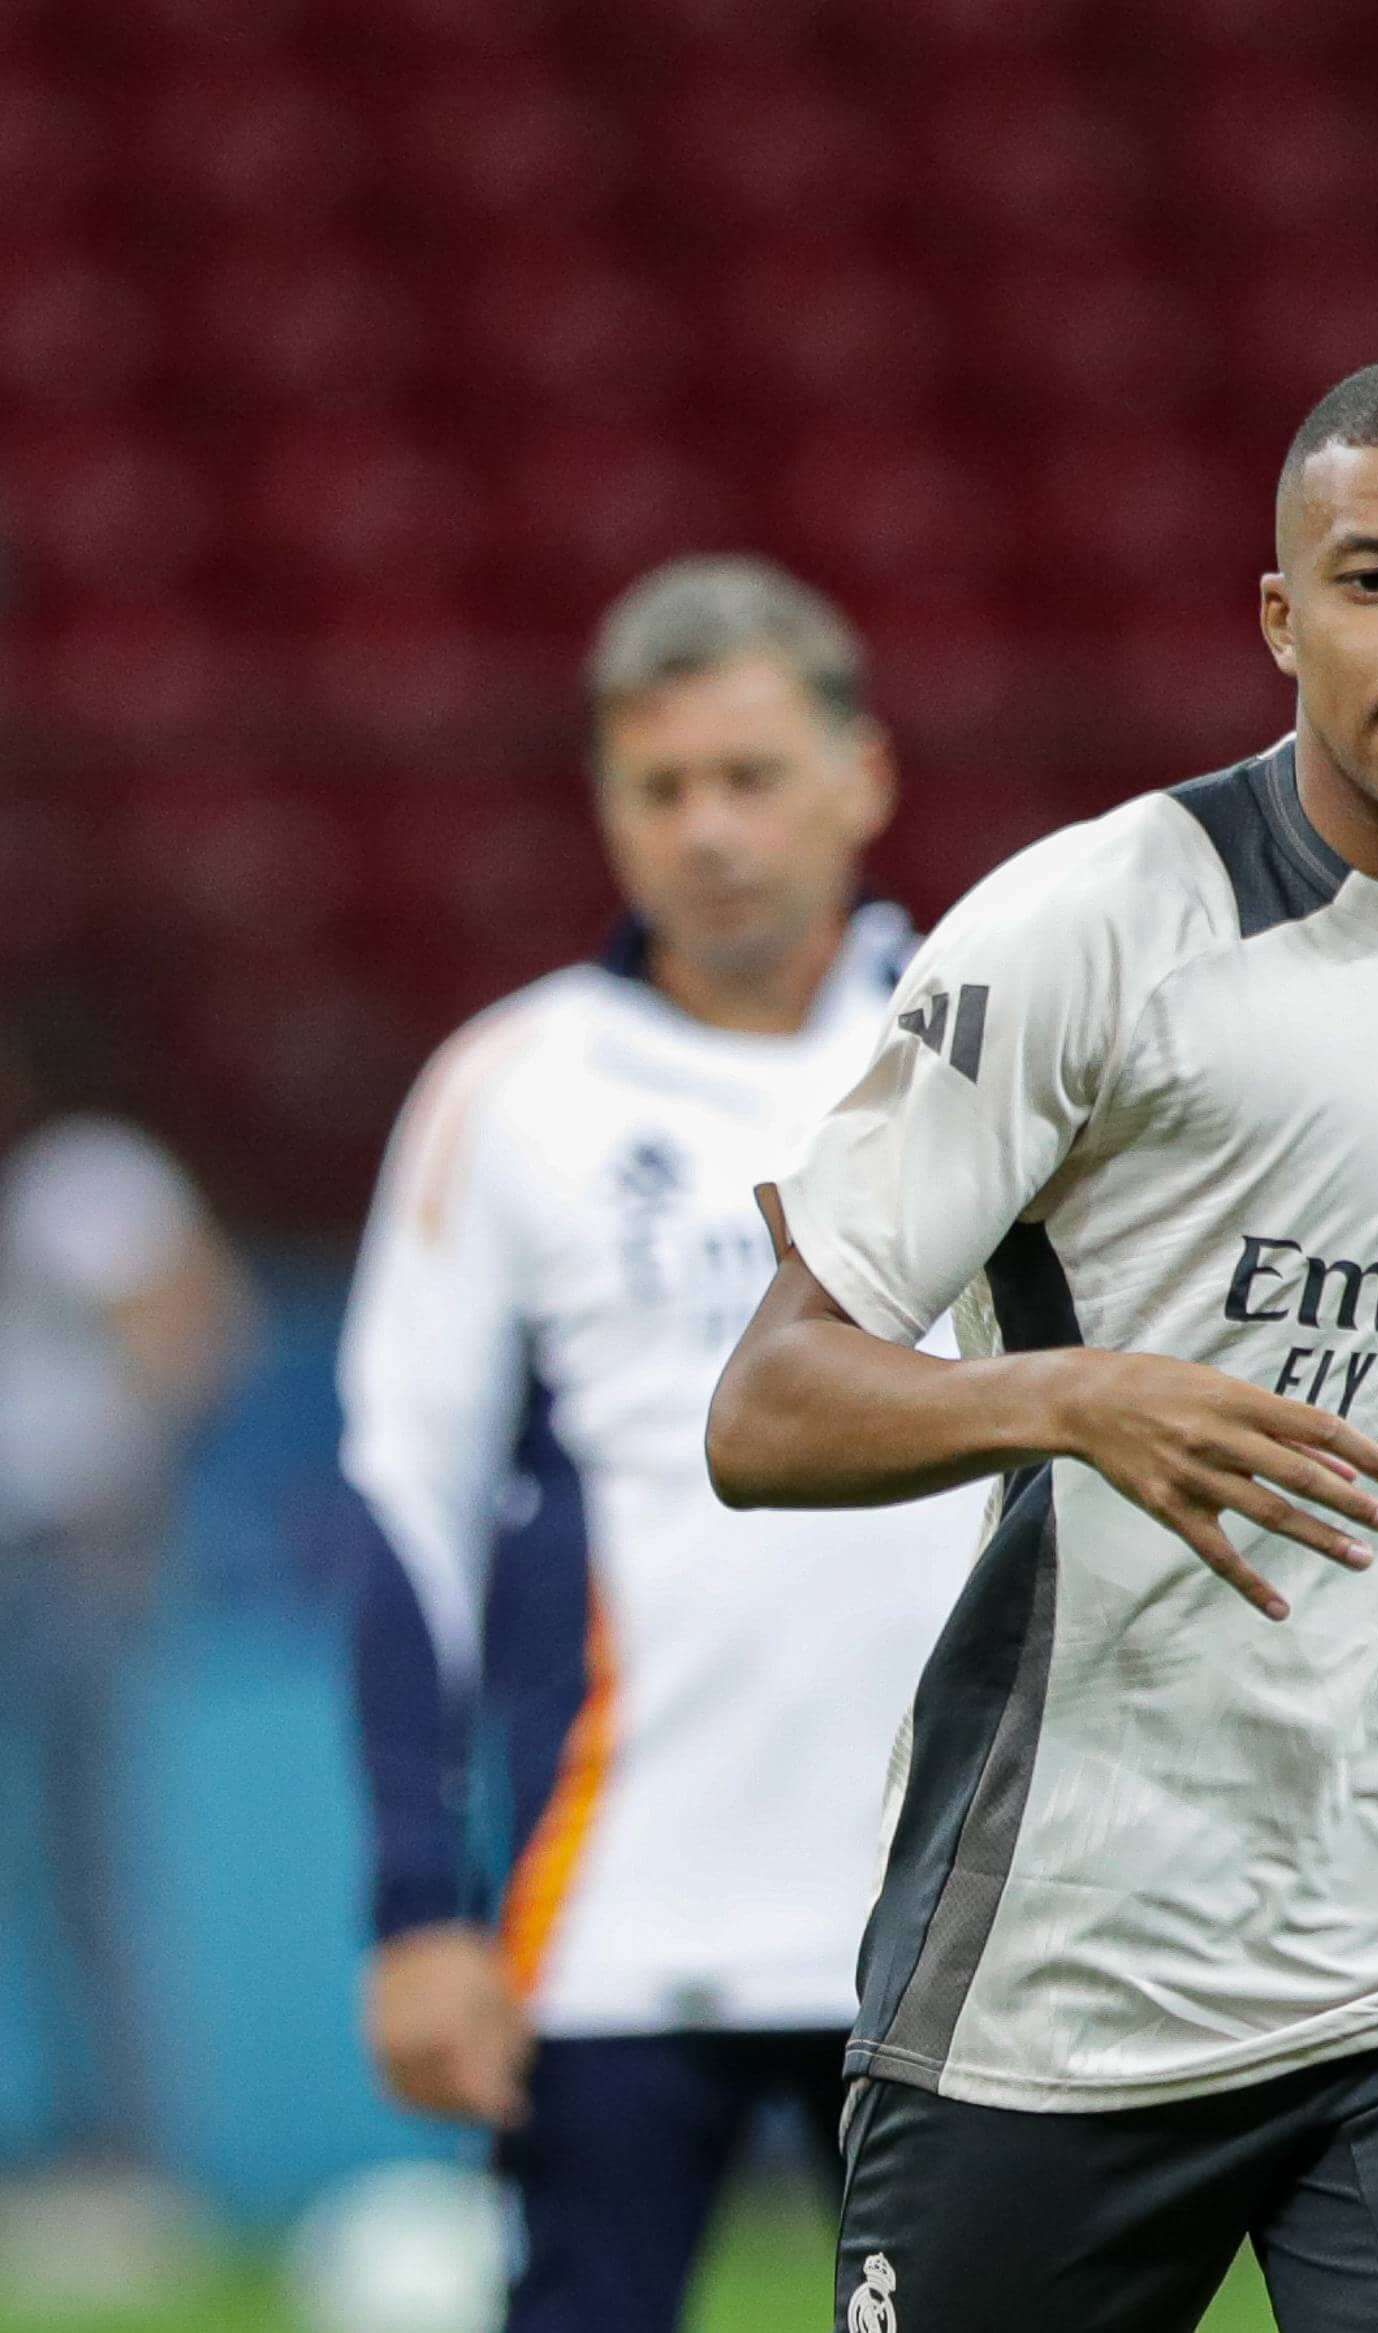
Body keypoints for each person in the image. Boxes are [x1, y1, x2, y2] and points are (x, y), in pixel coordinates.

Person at [706, 352, 1378, 2333]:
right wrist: (1066, 1397)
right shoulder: (1092, 926)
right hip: (1078, 1978)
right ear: (1281, 617)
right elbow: (769, 1400)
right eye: (1374, 580)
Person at [337, 559, 987, 2333]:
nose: (709, 831)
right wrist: (416, 1904)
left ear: (864, 774)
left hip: (961, 1908)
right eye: (661, 786)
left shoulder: (994, 1047)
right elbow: (408, 1497)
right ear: (607, 806)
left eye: (751, 776)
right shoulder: (517, 1088)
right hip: (616, 1900)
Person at [0, 1013, 251, 2303]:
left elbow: (194, 1312)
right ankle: (77, 2143)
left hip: (70, 1556)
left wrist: (126, 1482)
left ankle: (131, 2160)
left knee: (87, 1859)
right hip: (27, 1559)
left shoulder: (83, 1177)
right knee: (46, 1868)